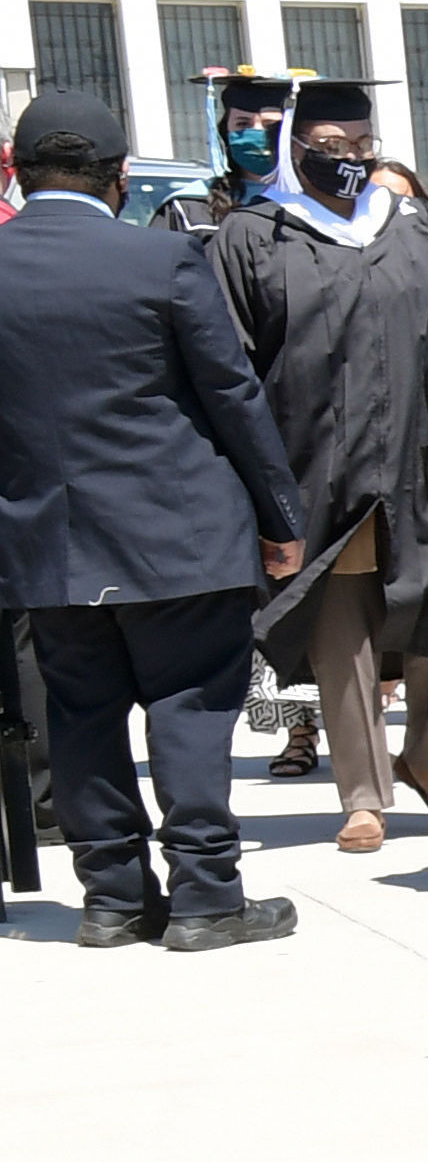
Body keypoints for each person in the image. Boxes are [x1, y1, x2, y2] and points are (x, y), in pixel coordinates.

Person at [0, 91, 306, 949]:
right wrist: (280, 516)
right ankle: (207, 894)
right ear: (120, 175)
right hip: (178, 533)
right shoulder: (161, 262)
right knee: (191, 706)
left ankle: (111, 898)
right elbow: (233, 396)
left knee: (80, 712)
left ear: (19, 174)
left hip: (46, 540)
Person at [210, 74, 428, 852]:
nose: (348, 161)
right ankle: (364, 793)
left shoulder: (414, 226)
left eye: (362, 147)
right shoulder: (255, 235)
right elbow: (231, 362)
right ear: (295, 150)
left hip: (420, 452)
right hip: (318, 460)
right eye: (329, 149)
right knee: (342, 626)